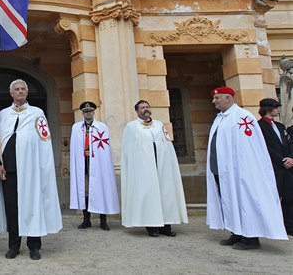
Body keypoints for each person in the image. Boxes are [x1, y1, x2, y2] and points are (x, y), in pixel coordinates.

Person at [0, 79, 62, 261]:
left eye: (23, 89)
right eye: (16, 89)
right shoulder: (2, 115)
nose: (20, 92)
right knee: (12, 209)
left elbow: (44, 142)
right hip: (9, 170)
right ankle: (14, 245)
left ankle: (34, 246)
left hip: (31, 170)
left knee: (32, 205)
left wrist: (43, 167)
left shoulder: (37, 113)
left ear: (27, 93)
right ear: (11, 94)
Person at [207, 87, 288, 249]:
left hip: (241, 171)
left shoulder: (242, 117)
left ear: (228, 98)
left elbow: (248, 147)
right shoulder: (221, 118)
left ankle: (250, 238)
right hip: (223, 171)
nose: (214, 101)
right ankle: (236, 232)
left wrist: (241, 169)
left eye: (217, 98)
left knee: (245, 201)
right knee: (230, 201)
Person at [121, 100, 188, 237]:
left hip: (162, 165)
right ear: (137, 111)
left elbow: (167, 143)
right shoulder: (132, 127)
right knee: (149, 195)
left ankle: (166, 225)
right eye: (142, 107)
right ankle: (152, 226)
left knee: (165, 194)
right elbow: (127, 150)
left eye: (147, 106)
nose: (145, 109)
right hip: (143, 167)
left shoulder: (159, 124)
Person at [69, 101, 119, 231]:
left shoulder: (102, 127)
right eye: (85, 111)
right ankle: (87, 219)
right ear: (82, 113)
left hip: (98, 164)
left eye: (90, 111)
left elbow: (105, 150)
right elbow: (75, 147)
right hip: (83, 163)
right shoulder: (76, 128)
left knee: (100, 189)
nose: (88, 113)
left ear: (94, 112)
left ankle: (103, 220)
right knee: (85, 191)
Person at [257, 98, 293, 235]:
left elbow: (289, 143)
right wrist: (281, 160)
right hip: (274, 168)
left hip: (287, 168)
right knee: (273, 198)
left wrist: (290, 157)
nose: (279, 110)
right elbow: (264, 147)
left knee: (289, 198)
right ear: (267, 108)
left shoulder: (280, 126)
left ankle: (289, 226)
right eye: (276, 107)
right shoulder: (259, 126)